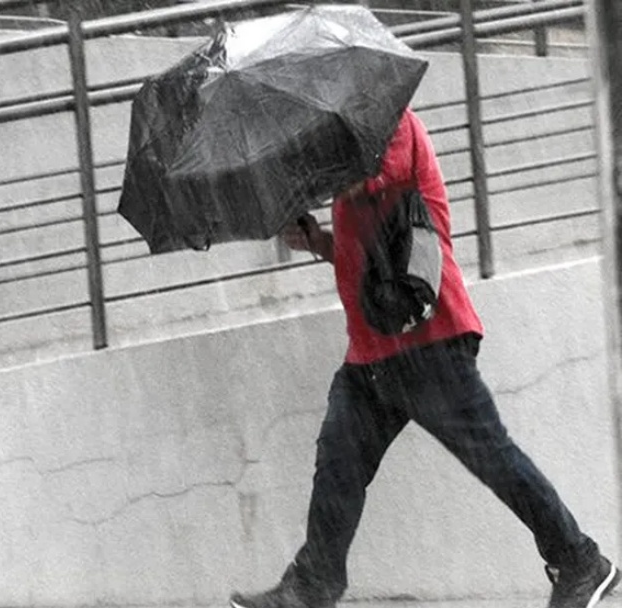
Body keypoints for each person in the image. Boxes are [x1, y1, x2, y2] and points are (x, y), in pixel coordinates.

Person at [228, 108, 620, 608]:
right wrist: (318, 242)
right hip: (371, 354)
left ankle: (581, 561)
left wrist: (299, 174)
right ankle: (313, 585)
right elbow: (369, 255)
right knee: (338, 463)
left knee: (494, 458)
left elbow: (374, 180)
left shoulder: (389, 123)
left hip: (430, 343)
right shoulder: (348, 148)